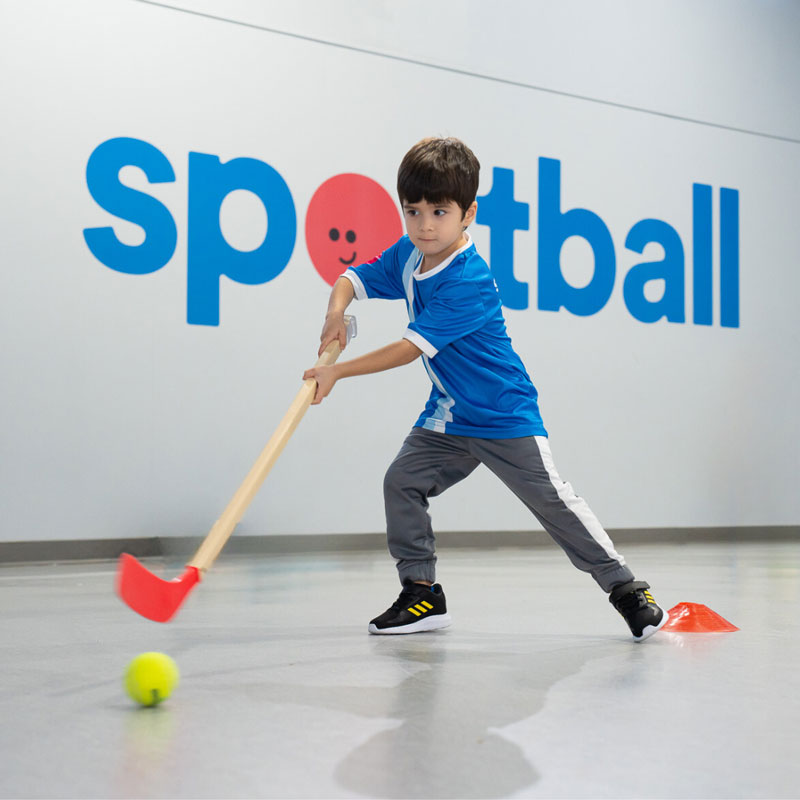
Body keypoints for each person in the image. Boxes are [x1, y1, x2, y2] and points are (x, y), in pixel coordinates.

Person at [303, 136, 668, 642]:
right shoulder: (410, 255)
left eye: (439, 211)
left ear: (468, 212)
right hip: (450, 416)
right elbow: (353, 277)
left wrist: (337, 372)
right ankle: (422, 594)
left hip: (502, 414)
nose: (425, 225)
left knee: (553, 504)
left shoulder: (468, 279)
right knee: (401, 483)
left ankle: (628, 589)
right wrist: (335, 313)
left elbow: (409, 349)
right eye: (412, 211)